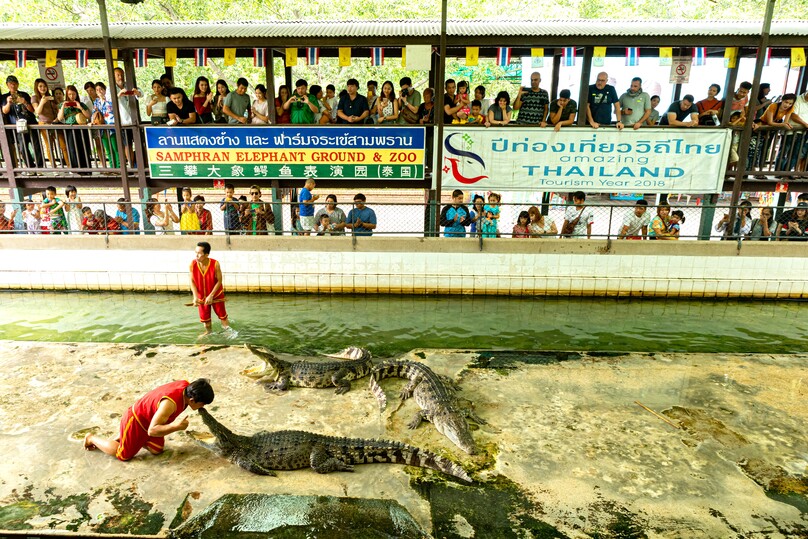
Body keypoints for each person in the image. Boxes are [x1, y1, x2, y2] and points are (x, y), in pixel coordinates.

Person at [83, 379, 214, 461]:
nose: (203, 407)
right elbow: (152, 430)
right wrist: (177, 427)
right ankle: (91, 438)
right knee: (123, 455)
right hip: (136, 420)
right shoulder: (170, 404)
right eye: (203, 403)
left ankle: (128, 438)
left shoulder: (186, 387)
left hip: (150, 420)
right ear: (192, 400)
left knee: (157, 450)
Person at [2, 75, 44, 168]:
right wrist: (8, 102)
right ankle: (30, 167)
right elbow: (4, 111)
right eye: (11, 84)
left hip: (30, 123)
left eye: (15, 83)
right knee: (22, 147)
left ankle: (40, 166)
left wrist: (24, 102)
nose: (13, 85)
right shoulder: (4, 97)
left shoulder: (24, 94)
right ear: (7, 85)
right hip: (17, 126)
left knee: (36, 145)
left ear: (17, 84)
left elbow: (32, 110)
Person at [190, 241, 231, 333]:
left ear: (206, 254)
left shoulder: (215, 264)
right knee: (206, 321)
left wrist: (211, 295)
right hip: (201, 297)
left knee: (223, 317)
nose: (196, 255)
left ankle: (228, 333)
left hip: (216, 295)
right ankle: (208, 333)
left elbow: (219, 281)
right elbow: (192, 281)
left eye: (199, 253)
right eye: (195, 253)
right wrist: (195, 296)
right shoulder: (192, 264)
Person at [57, 85, 92, 174]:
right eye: (69, 94)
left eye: (73, 94)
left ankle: (87, 168)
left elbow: (88, 116)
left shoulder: (82, 104)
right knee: (72, 148)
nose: (72, 96)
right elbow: (60, 118)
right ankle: (76, 169)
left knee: (83, 147)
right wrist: (63, 107)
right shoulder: (62, 105)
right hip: (70, 129)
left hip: (81, 128)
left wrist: (79, 107)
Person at [93, 82, 119, 168]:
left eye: (101, 89)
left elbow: (112, 110)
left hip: (112, 126)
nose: (99, 91)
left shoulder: (110, 100)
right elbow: (94, 113)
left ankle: (119, 167)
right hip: (101, 127)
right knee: (108, 149)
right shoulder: (96, 102)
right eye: (97, 90)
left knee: (116, 148)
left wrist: (105, 99)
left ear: (105, 90)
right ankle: (112, 167)